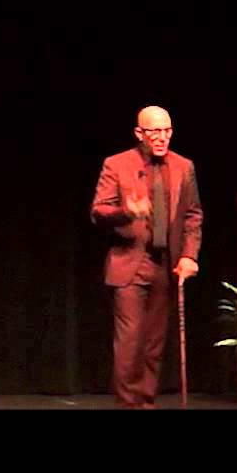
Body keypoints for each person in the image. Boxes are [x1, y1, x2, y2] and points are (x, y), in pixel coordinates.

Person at [90, 105, 202, 408]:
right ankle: (128, 405)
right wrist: (127, 211)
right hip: (131, 262)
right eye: (155, 132)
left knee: (153, 345)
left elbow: (192, 215)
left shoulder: (183, 166)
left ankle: (145, 403)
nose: (162, 137)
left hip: (166, 264)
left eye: (167, 131)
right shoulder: (117, 164)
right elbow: (98, 211)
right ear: (139, 133)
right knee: (130, 343)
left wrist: (189, 255)